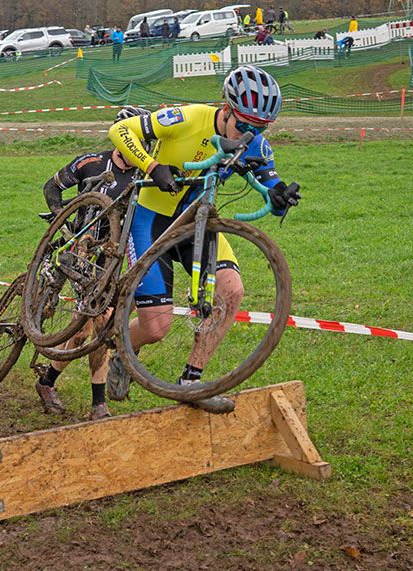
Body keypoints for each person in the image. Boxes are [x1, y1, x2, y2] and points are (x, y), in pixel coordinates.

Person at [107, 65, 301, 413]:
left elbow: (270, 179)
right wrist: (152, 166)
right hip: (151, 219)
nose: (248, 136)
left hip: (197, 220)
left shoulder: (254, 141)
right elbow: (120, 130)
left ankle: (191, 383)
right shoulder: (190, 116)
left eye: (257, 130)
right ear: (225, 110)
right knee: (156, 327)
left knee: (232, 290)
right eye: (242, 126)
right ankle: (122, 351)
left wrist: (278, 195)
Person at [34, 136, 141, 421]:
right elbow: (52, 187)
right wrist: (64, 222)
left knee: (88, 330)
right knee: (96, 324)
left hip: (110, 254)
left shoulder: (143, 175)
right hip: (80, 248)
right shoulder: (92, 162)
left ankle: (46, 382)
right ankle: (99, 404)